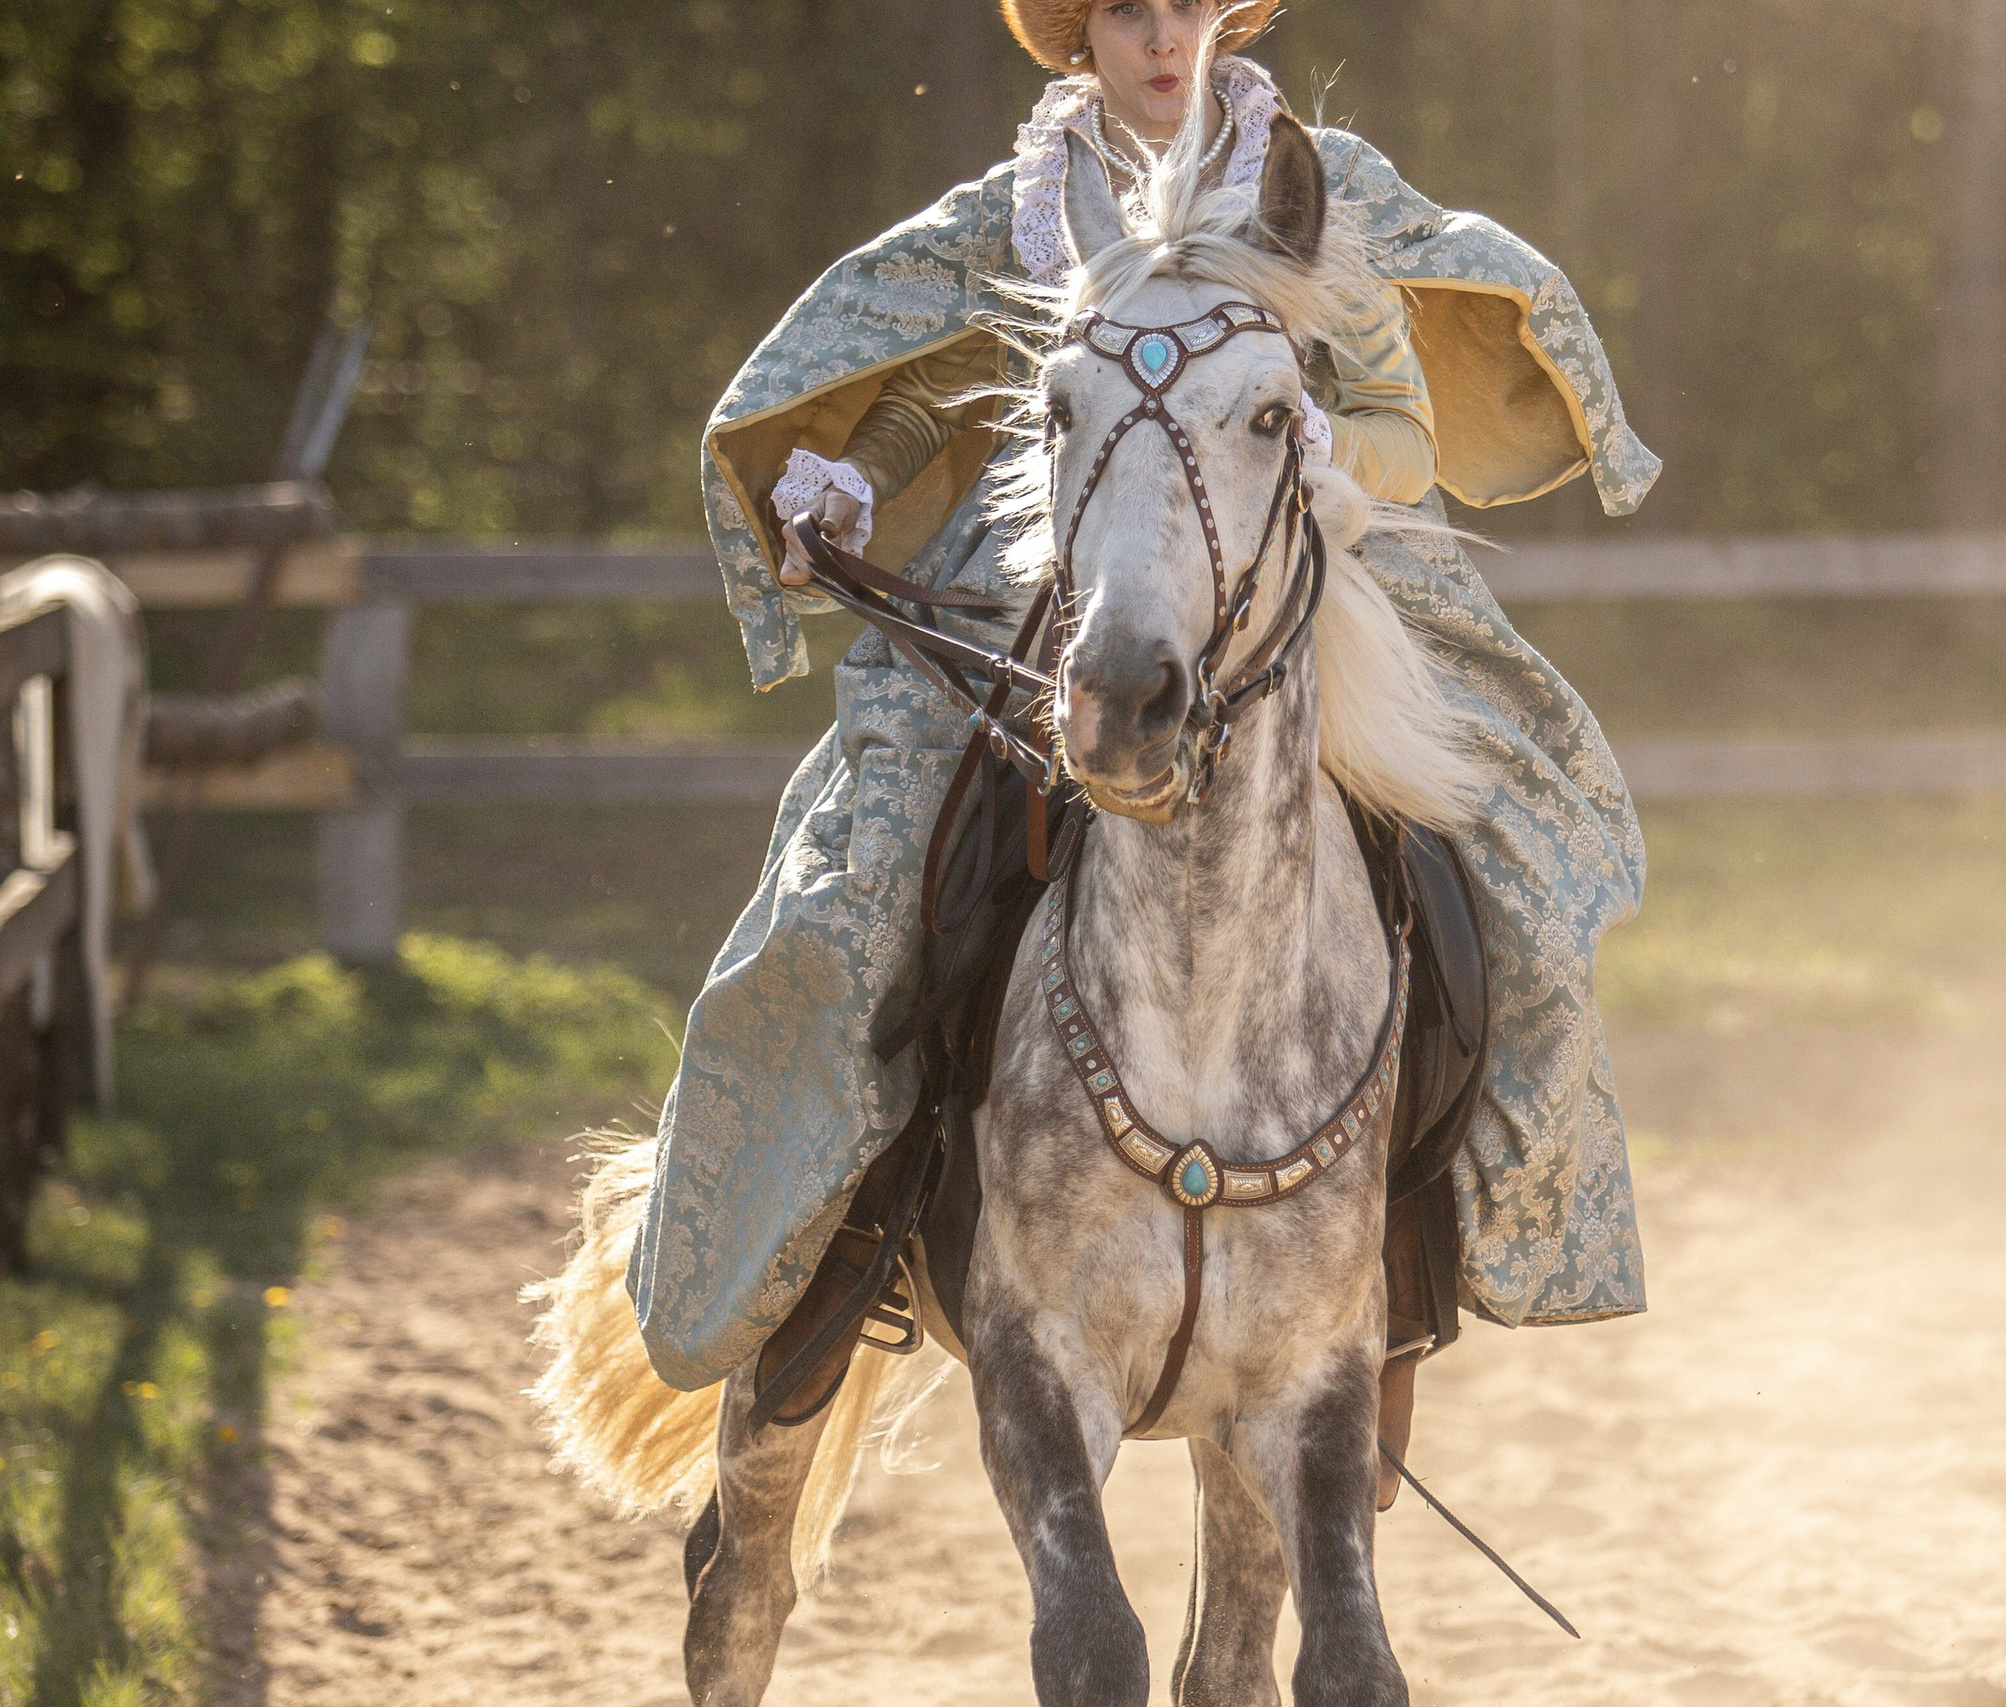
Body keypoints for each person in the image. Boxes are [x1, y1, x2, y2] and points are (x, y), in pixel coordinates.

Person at [629, 0, 1662, 1399]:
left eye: (1189, 4)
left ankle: (1430, 1239)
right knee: (848, 902)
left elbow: (1406, 433)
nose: (1165, 39)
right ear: (1078, 34)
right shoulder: (1025, 203)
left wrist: (1314, 445)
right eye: (1128, 9)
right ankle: (832, 1254)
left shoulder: (1320, 184)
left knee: (1521, 875)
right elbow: (940, 394)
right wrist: (856, 480)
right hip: (1041, 594)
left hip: (1303, 578)